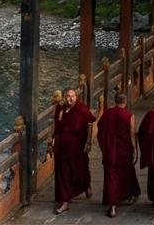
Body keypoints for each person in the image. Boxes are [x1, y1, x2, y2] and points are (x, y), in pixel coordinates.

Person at [97, 91, 140, 218]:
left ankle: (113, 208)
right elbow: (132, 134)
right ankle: (130, 195)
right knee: (126, 174)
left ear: (114, 101)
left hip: (110, 150)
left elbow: (100, 131)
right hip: (124, 150)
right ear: (125, 102)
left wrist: (105, 146)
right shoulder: (129, 115)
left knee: (111, 178)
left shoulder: (107, 114)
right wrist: (135, 150)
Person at [52, 87, 93, 215]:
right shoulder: (60, 110)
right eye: (68, 96)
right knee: (62, 174)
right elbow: (56, 126)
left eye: (73, 96)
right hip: (62, 147)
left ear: (76, 97)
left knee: (79, 170)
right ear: (64, 98)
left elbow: (92, 123)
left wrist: (89, 142)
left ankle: (86, 185)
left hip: (77, 146)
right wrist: (51, 141)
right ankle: (64, 201)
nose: (70, 98)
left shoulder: (81, 109)